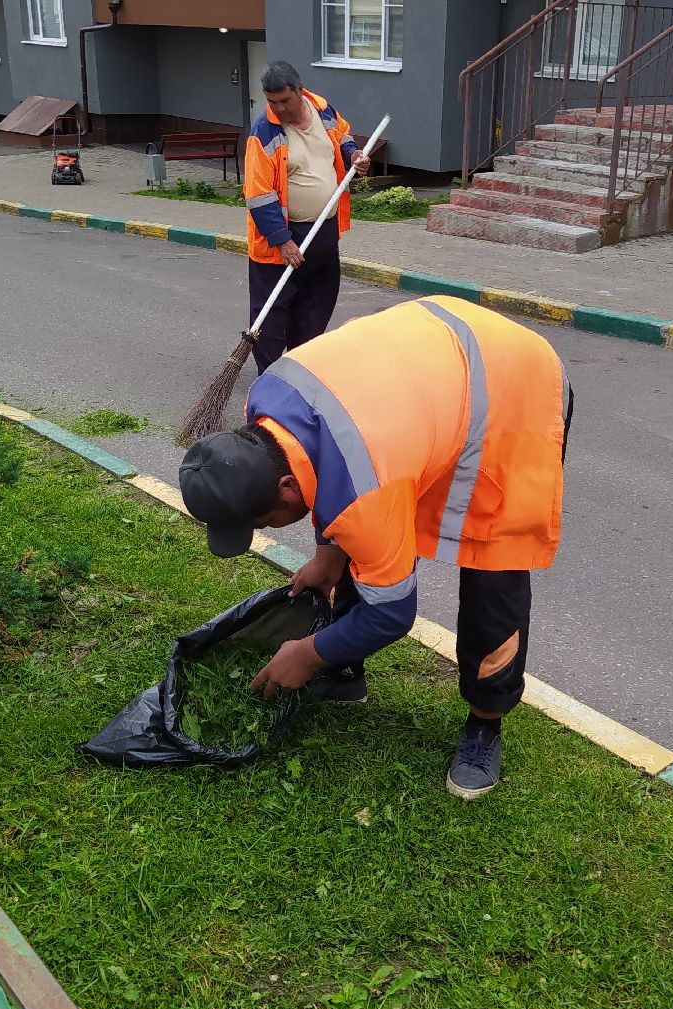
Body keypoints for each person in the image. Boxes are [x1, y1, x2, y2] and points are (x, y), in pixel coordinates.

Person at [179, 297, 572, 800]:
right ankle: (344, 669)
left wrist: (305, 653)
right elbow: (321, 467)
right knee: (357, 531)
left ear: (282, 489)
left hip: (516, 390)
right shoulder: (267, 402)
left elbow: (392, 615)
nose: (268, 530)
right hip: (434, 375)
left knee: (492, 564)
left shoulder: (365, 485)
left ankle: (485, 724)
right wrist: (326, 557)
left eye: (265, 523)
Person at [244, 61, 370, 376]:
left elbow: (342, 136)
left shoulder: (323, 109)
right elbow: (259, 194)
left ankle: (300, 371)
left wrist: (353, 155)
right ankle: (271, 378)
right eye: (271, 101)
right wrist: (283, 242)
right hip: (283, 242)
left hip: (324, 231)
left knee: (316, 306)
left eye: (284, 100)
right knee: (272, 314)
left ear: (300, 90)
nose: (278, 108)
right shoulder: (264, 133)